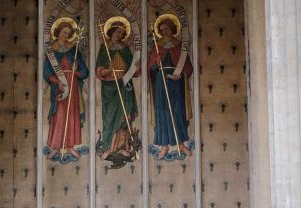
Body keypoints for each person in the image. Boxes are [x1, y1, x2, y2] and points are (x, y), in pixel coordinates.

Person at [148, 17, 193, 160]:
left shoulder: (180, 46)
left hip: (177, 82)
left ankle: (180, 143)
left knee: (177, 110)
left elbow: (188, 66)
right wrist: (157, 64)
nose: (164, 33)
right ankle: (164, 145)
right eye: (161, 31)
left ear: (172, 29)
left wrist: (180, 74)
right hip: (161, 81)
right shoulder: (157, 46)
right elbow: (151, 68)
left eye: (166, 29)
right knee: (162, 112)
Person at [43, 20, 89, 159]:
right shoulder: (51, 50)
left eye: (68, 33)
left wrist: (76, 70)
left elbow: (84, 71)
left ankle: (70, 147)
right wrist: (58, 82)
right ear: (57, 32)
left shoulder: (73, 49)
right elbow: (47, 72)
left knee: (72, 114)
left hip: (73, 85)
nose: (66, 35)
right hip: (59, 86)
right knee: (59, 114)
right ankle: (56, 146)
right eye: (64, 32)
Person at [96, 21, 139, 160]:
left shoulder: (125, 48)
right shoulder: (105, 48)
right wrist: (109, 69)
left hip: (124, 84)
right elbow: (99, 71)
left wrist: (136, 68)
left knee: (124, 117)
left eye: (122, 33)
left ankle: (123, 147)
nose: (119, 35)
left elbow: (134, 70)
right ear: (111, 32)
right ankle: (108, 147)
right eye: (117, 32)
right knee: (109, 118)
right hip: (110, 87)